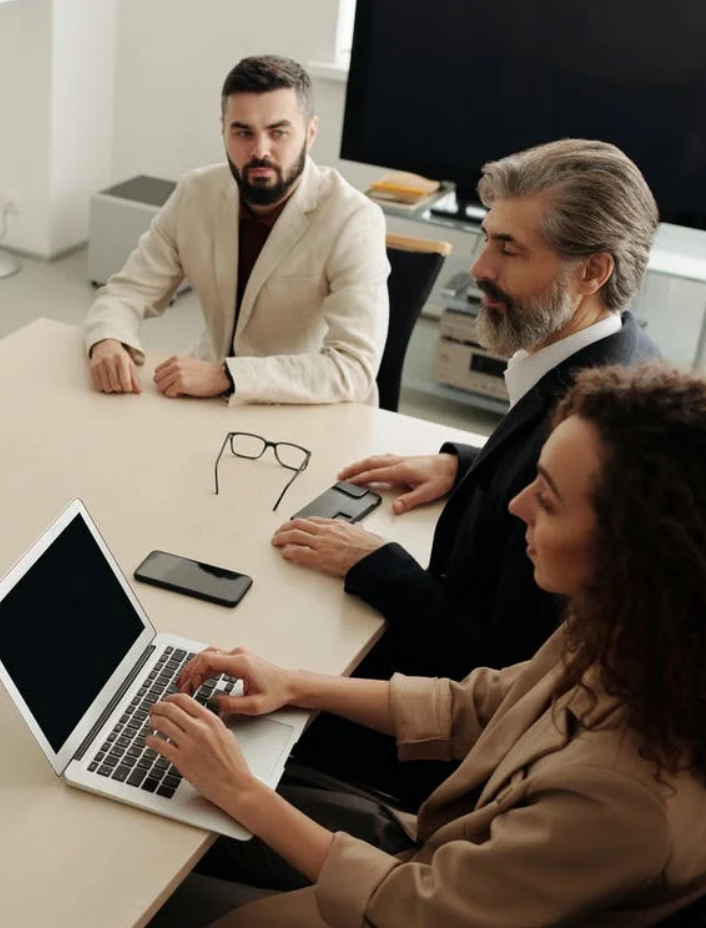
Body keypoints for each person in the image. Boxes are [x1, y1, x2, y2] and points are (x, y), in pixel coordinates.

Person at [147, 363, 706, 928]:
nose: (518, 506)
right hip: (438, 859)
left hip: (415, 903)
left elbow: (418, 908)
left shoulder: (624, 795)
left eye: (550, 499)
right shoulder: (630, 632)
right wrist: (295, 682)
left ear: (636, 551)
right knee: (170, 810)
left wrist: (241, 792)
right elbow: (476, 706)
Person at [273, 139, 660, 681]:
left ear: (593, 271)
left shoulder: (592, 437)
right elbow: (538, 470)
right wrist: (469, 466)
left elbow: (499, 665)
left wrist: (376, 564)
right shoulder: (624, 360)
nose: (479, 268)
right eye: (486, 240)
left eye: (509, 248)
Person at [82, 55, 388, 405]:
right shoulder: (194, 193)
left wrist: (227, 376)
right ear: (224, 130)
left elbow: (353, 368)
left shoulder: (354, 219)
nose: (260, 151)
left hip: (311, 405)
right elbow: (128, 291)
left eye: (278, 132)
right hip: (207, 397)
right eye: (243, 132)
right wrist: (106, 338)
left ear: (310, 133)